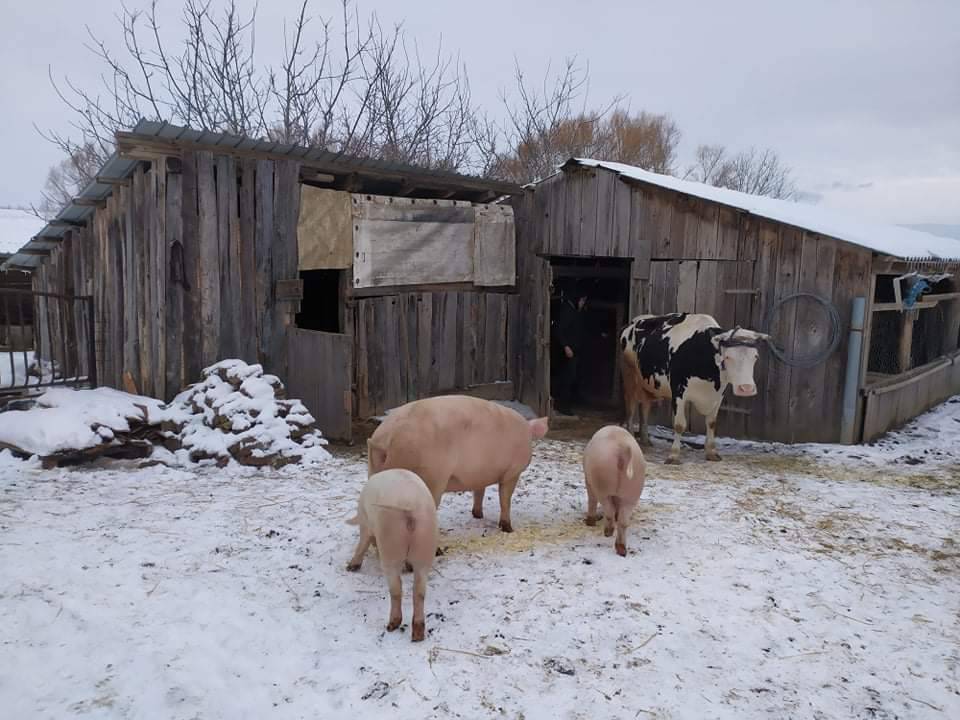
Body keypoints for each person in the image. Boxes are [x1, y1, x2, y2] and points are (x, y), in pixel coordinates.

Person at [552, 286, 588, 415]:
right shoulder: (567, 311)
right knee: (566, 378)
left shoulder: (577, 311)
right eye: (582, 300)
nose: (583, 303)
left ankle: (568, 402)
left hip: (575, 351)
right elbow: (559, 330)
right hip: (566, 353)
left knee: (572, 377)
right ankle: (562, 405)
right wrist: (566, 346)